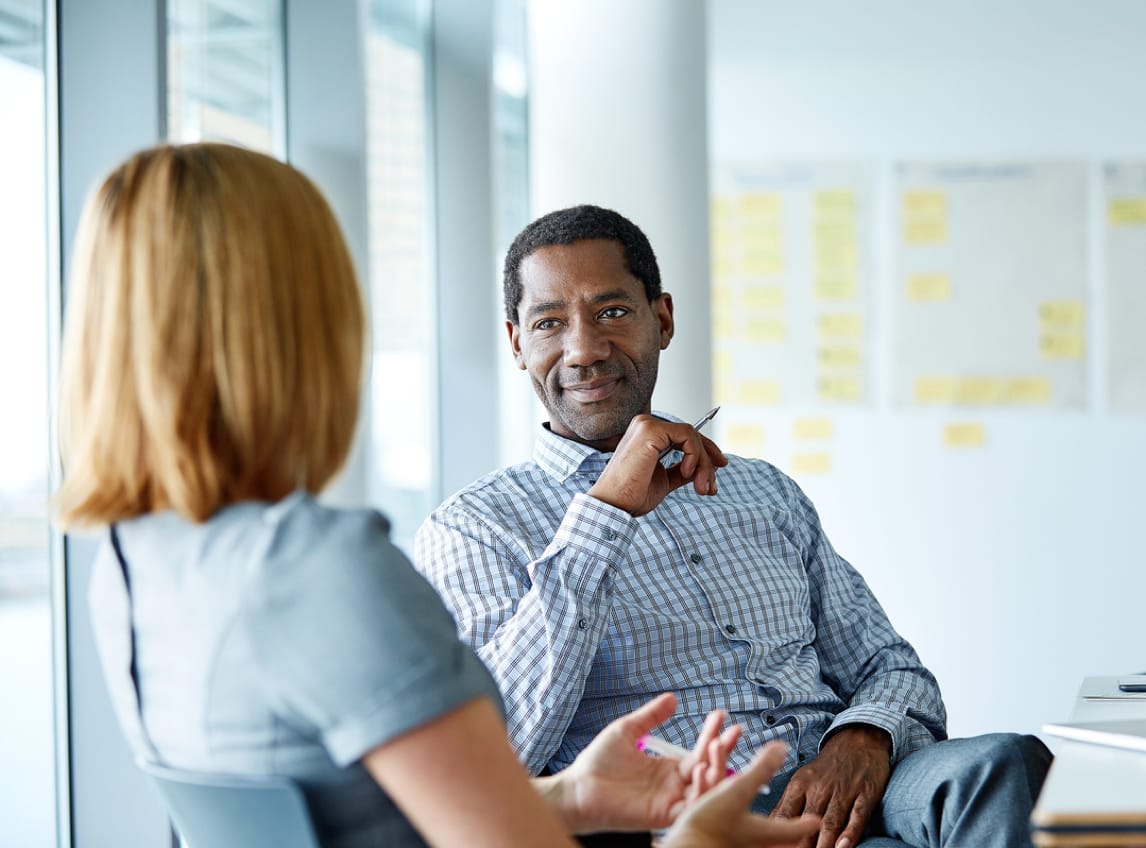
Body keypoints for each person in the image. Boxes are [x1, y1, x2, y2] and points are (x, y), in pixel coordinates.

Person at [55, 145, 823, 848]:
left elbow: (356, 822)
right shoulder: (321, 569)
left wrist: (570, 798)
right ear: (301, 327)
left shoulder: (133, 564)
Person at [413, 204, 1054, 848]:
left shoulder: (762, 490)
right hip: (685, 821)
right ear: (518, 344)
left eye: (612, 312)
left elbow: (892, 667)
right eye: (550, 323)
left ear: (661, 320)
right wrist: (603, 515)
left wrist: (863, 737)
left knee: (1000, 765)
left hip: (854, 792)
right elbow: (503, 752)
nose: (583, 348)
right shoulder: (474, 529)